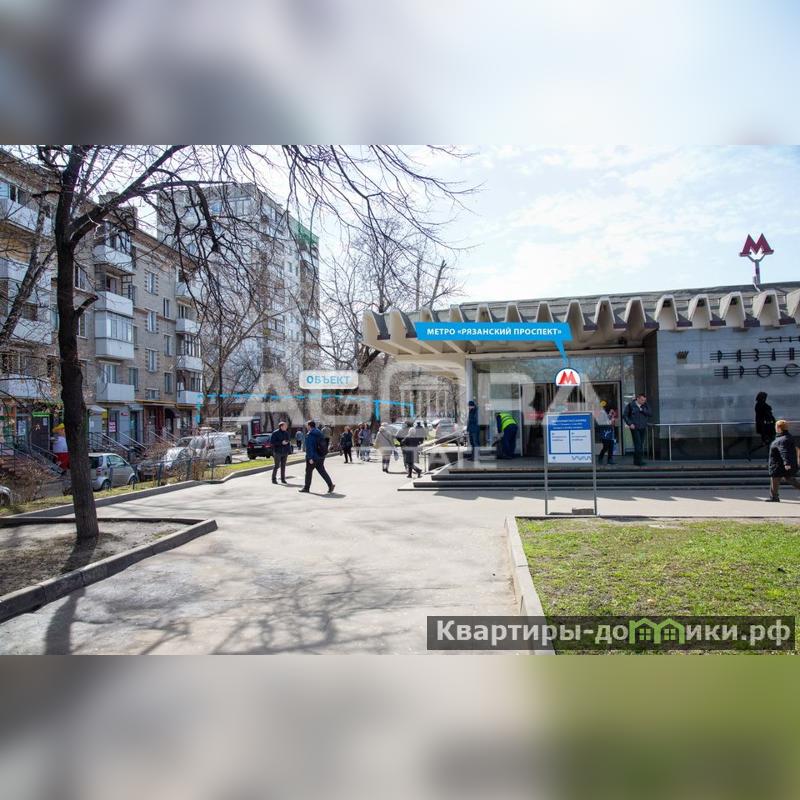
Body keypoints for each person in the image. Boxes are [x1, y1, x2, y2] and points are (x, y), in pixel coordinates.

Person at [766, 420, 800, 502]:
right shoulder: (786, 437)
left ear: (779, 428)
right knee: (786, 479)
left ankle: (774, 497)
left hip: (778, 464)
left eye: (776, 427)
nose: (775, 428)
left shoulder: (782, 439)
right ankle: (774, 497)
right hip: (781, 464)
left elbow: (784, 451)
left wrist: (786, 463)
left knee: (776, 479)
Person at [298, 420, 335, 494]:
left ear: (309, 426)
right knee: (322, 471)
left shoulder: (310, 434)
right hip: (321, 455)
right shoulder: (319, 432)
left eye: (307, 425)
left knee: (308, 472)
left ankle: (306, 488)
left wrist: (310, 458)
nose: (306, 427)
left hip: (313, 457)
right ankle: (330, 485)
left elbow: (310, 447)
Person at [623, 393, 651, 466]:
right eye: (642, 400)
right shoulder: (630, 405)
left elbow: (650, 413)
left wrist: (643, 410)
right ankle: (639, 461)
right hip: (634, 427)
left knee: (640, 444)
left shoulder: (645, 405)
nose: (643, 401)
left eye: (644, 400)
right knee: (638, 444)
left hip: (643, 427)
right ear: (637, 399)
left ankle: (636, 460)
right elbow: (625, 415)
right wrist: (630, 424)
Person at [749, 391, 776, 461]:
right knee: (768, 441)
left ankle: (751, 452)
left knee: (768, 442)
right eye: (765, 397)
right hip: (766, 426)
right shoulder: (762, 405)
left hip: (765, 426)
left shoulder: (759, 405)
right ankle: (751, 452)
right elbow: (768, 415)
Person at [595, 401, 615, 465]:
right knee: (606, 446)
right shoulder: (601, 414)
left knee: (611, 446)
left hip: (610, 432)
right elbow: (599, 423)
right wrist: (609, 417)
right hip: (604, 432)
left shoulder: (611, 414)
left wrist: (612, 417)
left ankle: (610, 460)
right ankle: (600, 457)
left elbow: (612, 423)